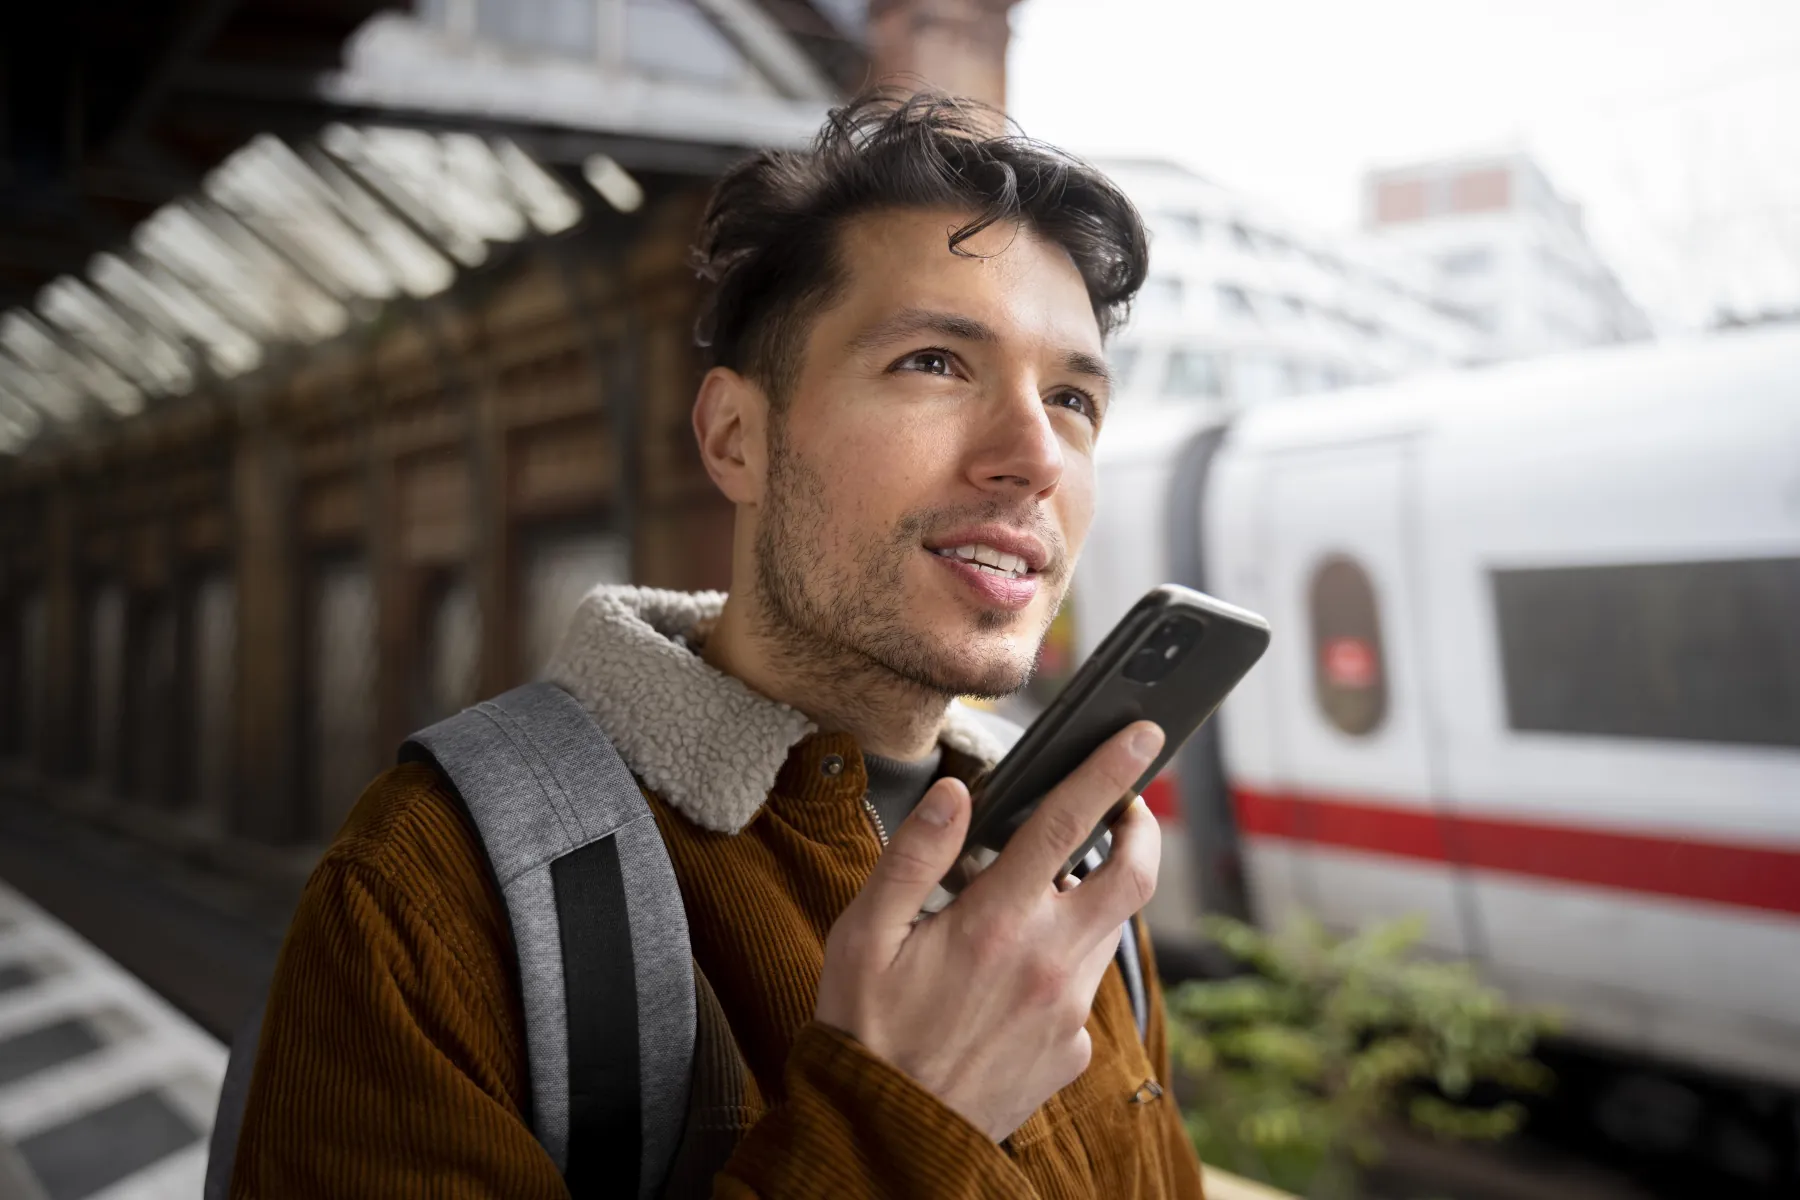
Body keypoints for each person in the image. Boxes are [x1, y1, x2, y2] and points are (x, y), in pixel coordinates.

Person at [229, 91, 1207, 1198]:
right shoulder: (435, 888)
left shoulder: (1064, 875)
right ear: (736, 438)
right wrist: (904, 1119)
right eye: (934, 362)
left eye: (1074, 396)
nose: (1033, 454)